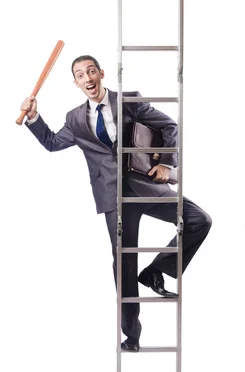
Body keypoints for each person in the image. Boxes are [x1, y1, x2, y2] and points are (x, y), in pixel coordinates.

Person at [19, 55, 212, 353]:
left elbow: (170, 126)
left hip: (145, 183)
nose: (87, 79)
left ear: (101, 74)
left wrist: (167, 164)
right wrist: (33, 117)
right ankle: (132, 335)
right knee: (123, 264)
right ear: (76, 83)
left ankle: (157, 269)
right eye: (80, 75)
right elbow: (53, 143)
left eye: (91, 72)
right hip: (112, 197)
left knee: (199, 220)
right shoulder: (74, 118)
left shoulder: (129, 101)